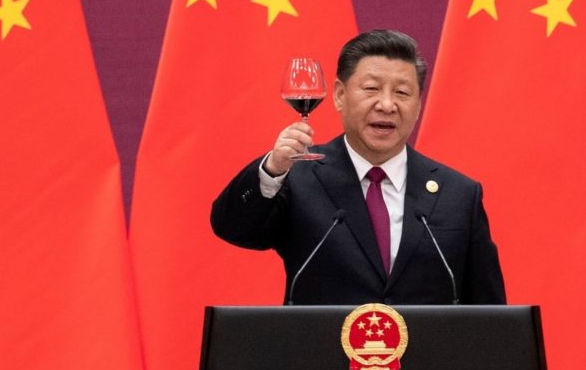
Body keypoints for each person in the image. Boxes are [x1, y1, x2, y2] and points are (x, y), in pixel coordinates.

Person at [211, 30, 505, 305]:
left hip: (427, 359)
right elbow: (234, 229)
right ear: (340, 95)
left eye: (402, 93)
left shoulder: (459, 195)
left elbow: (488, 311)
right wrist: (273, 169)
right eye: (371, 89)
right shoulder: (299, 179)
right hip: (320, 357)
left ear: (418, 105)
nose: (387, 105)